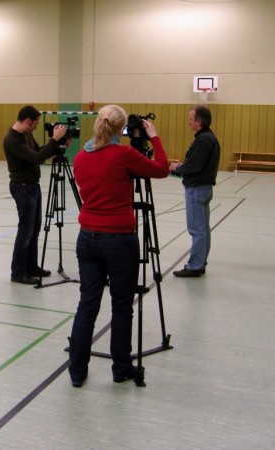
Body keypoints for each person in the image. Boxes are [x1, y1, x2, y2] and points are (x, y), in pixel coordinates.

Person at [68, 104, 170, 387]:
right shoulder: (124, 154)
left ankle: (77, 370)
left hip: (87, 236)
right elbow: (161, 169)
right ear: (120, 129)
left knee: (87, 305)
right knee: (122, 306)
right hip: (119, 238)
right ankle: (121, 368)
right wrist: (154, 138)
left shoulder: (80, 157)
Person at [3, 105, 69, 285]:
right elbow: (36, 158)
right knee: (26, 231)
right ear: (27, 121)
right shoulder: (12, 139)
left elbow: (40, 151)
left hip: (32, 186)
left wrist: (57, 146)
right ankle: (18, 272)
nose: (35, 127)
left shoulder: (26, 135)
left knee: (34, 229)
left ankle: (31, 266)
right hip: (22, 187)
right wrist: (54, 141)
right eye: (35, 124)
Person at [169, 105, 220, 278]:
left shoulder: (203, 140)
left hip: (197, 189)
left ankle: (195, 265)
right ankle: (200, 262)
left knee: (197, 230)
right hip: (203, 188)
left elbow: (194, 167)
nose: (188, 122)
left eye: (191, 119)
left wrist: (177, 168)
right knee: (203, 229)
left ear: (198, 122)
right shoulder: (208, 138)